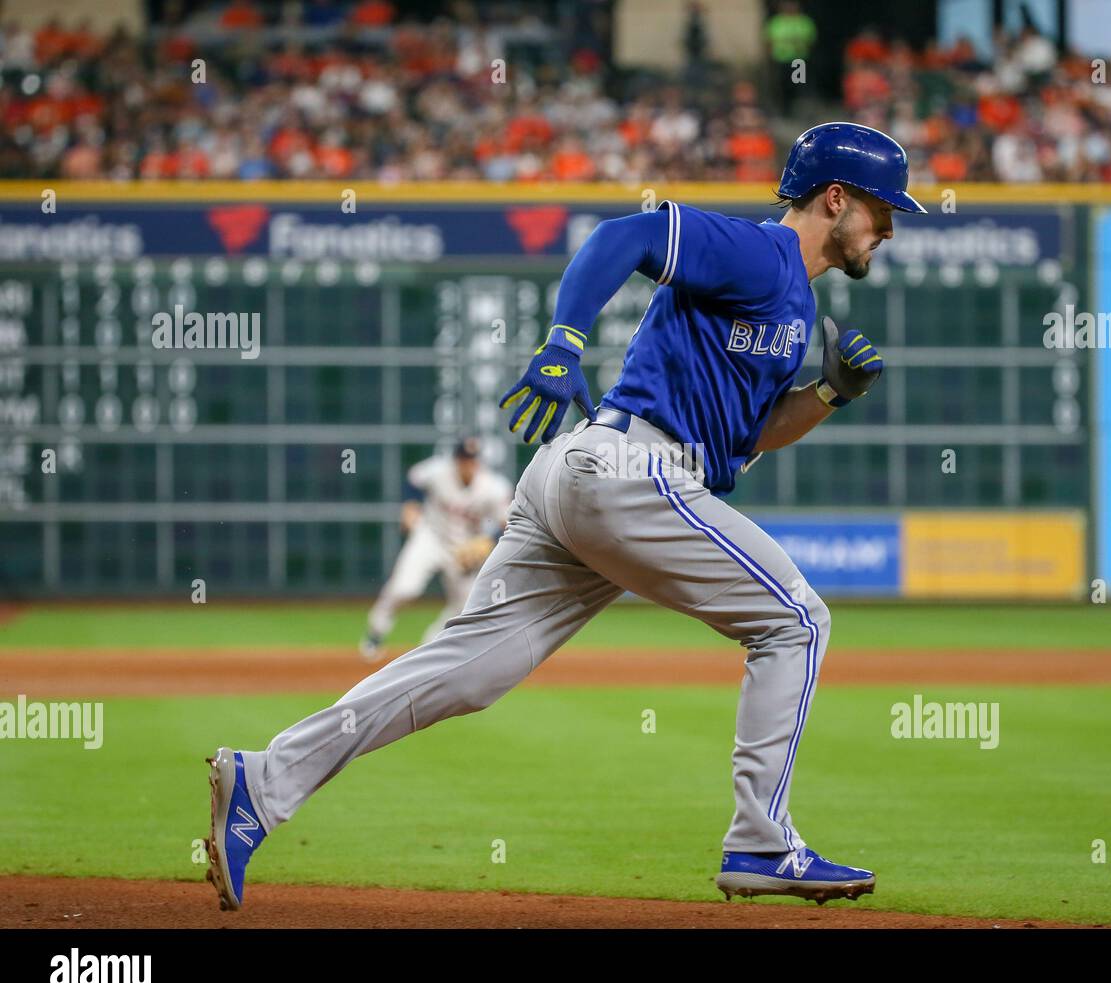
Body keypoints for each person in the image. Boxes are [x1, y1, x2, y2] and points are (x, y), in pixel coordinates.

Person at [205, 122, 925, 911]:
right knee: (796, 621)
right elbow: (625, 236)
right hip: (627, 469)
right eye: (881, 209)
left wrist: (826, 397)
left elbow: (748, 439)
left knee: (468, 673)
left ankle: (264, 780)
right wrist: (562, 342)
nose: (887, 227)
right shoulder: (763, 253)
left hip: (596, 476)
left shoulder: (794, 307)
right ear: (834, 198)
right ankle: (760, 839)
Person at [359, 437, 512, 660]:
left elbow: (507, 522)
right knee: (405, 588)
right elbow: (413, 480)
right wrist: (410, 506)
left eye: (472, 460)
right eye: (464, 459)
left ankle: (428, 646)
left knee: (465, 606)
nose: (468, 464)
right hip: (430, 536)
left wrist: (489, 542)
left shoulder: (494, 487)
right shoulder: (438, 471)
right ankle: (376, 631)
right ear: (456, 460)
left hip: (464, 549)